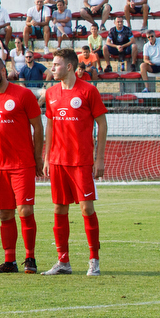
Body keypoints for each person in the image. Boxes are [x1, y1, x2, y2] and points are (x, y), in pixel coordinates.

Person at [42, 48, 106, 276]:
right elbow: (50, 125)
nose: (52, 68)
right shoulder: (51, 94)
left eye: (56, 65)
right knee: (59, 208)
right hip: (58, 161)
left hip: (81, 161)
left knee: (86, 208)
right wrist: (47, 156)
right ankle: (63, 262)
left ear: (69, 66)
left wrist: (99, 158)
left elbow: (102, 124)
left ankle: (94, 260)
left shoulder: (88, 91)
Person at [0, 55, 43, 274]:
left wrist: (38, 158)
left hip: (22, 164)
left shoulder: (23, 95)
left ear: (3, 72)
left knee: (25, 211)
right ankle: (9, 261)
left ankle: (30, 257)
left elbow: (38, 127)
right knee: (5, 214)